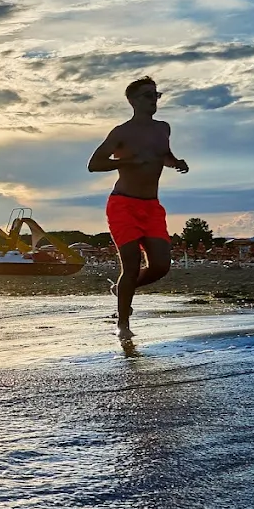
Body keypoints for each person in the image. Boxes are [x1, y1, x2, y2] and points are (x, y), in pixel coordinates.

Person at [87, 76, 189, 340]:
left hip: (151, 206)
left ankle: (122, 290)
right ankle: (123, 323)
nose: (153, 99)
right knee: (130, 266)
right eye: (147, 95)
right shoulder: (122, 132)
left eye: (156, 94)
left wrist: (175, 161)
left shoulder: (163, 128)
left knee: (161, 266)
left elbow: (163, 154)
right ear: (132, 101)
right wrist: (129, 161)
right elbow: (94, 164)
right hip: (123, 204)